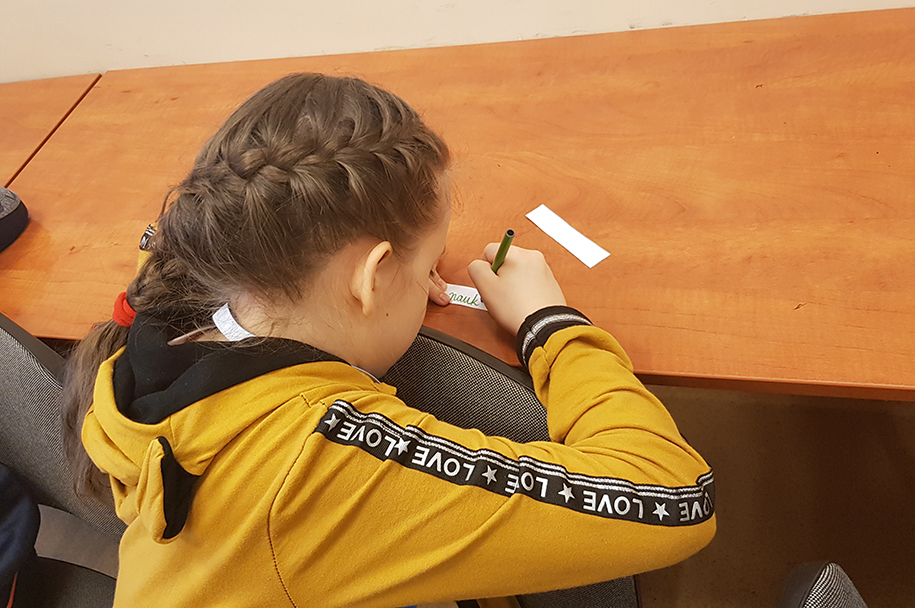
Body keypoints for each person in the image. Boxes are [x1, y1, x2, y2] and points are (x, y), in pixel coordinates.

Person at [62, 73, 716, 607]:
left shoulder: (161, 314)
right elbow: (676, 495)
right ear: (371, 278)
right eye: (428, 257)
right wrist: (551, 322)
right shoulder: (318, 467)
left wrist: (401, 271)